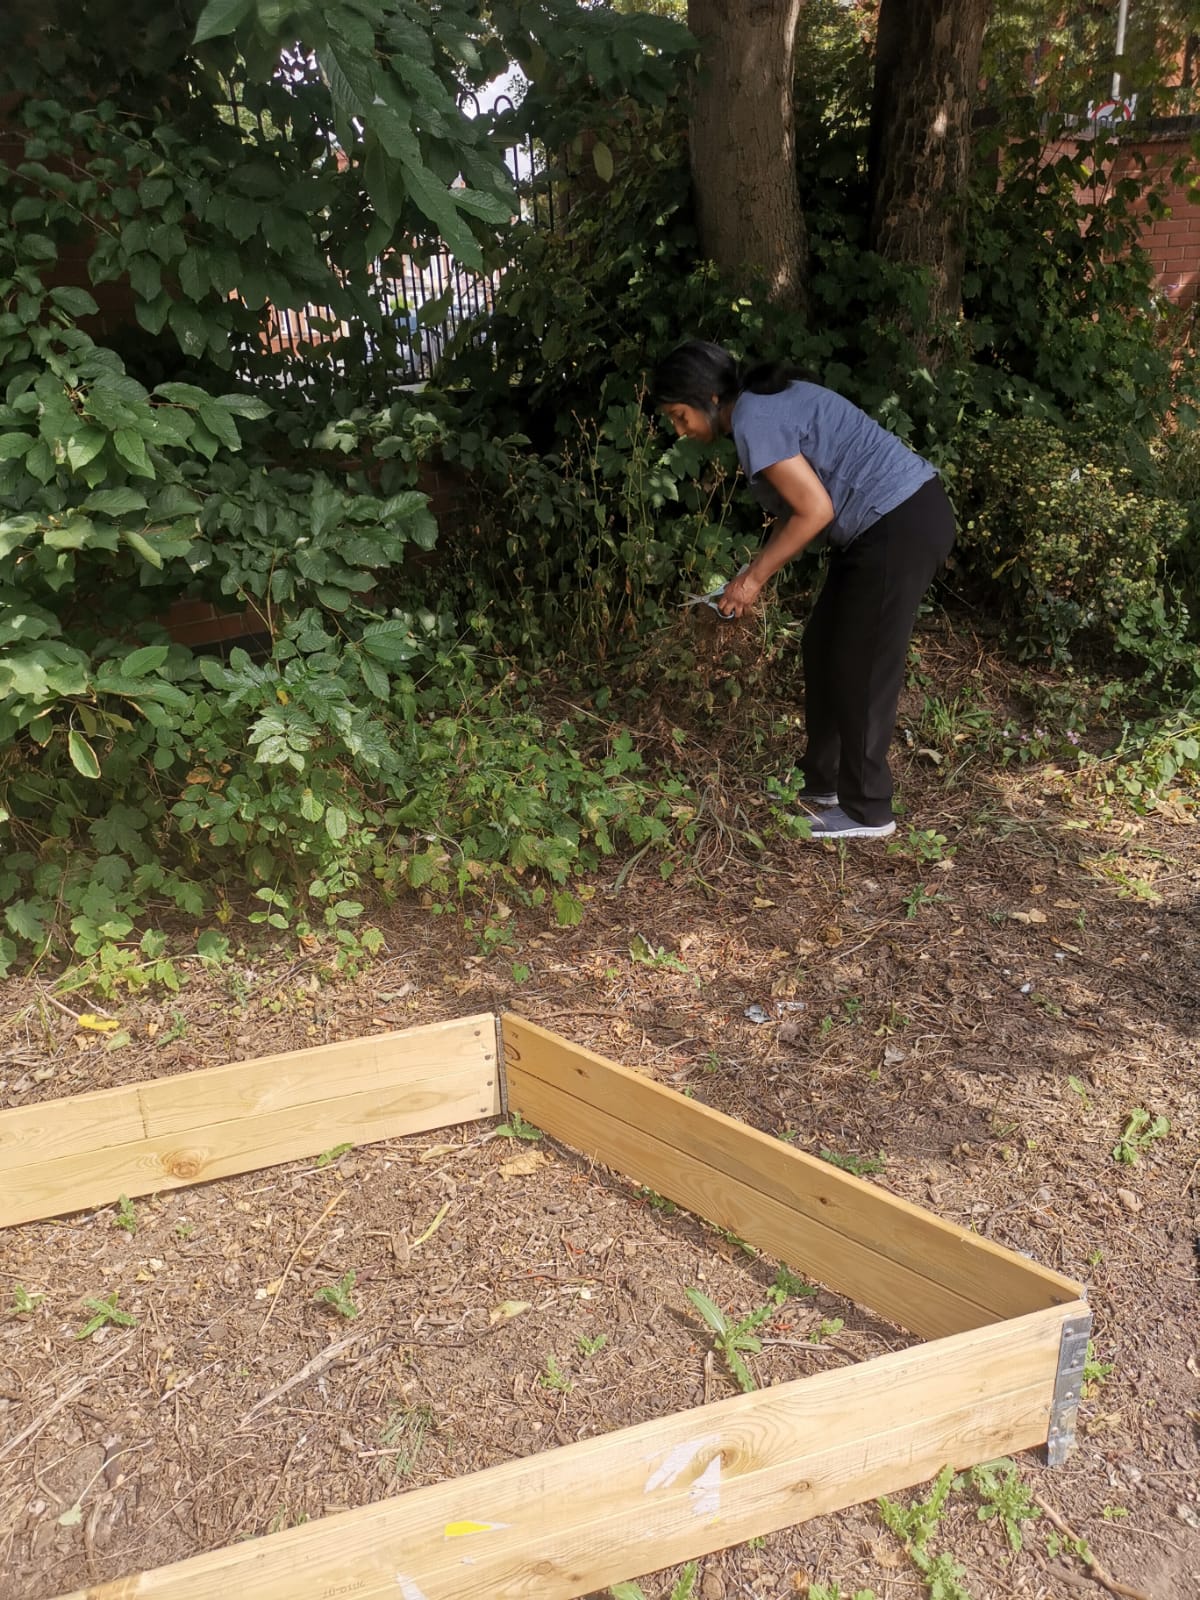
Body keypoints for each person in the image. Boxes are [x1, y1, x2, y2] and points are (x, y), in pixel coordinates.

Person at [652, 339, 955, 842]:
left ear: (708, 397)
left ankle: (868, 810)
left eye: (680, 416)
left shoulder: (754, 417)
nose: (679, 430)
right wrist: (753, 572)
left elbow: (815, 511)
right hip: (882, 526)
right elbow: (805, 508)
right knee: (823, 648)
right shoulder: (759, 406)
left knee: (862, 663)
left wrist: (752, 581)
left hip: (899, 522)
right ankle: (822, 784)